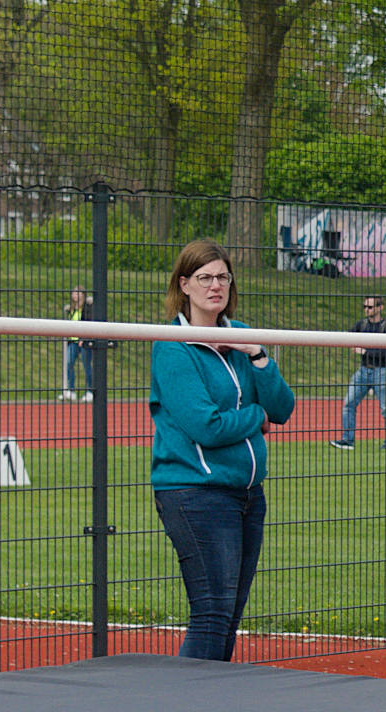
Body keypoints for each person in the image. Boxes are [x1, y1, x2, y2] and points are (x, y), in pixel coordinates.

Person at [149, 239, 295, 662]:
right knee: (211, 612)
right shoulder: (172, 345)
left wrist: (259, 355)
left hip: (247, 495)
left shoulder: (242, 335)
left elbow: (282, 408)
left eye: (223, 277)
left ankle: (213, 704)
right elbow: (206, 427)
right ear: (185, 284)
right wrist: (256, 418)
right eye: (205, 277)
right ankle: (190, 707)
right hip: (196, 494)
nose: (216, 286)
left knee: (229, 613)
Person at [333, 295, 386, 450]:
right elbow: (347, 337)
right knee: (349, 403)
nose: (366, 310)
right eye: (365, 307)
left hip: (382, 370)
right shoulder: (361, 325)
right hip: (364, 370)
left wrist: (365, 352)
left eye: (370, 307)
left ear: (380, 308)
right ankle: (347, 440)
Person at [61, 286, 94, 401]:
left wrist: (83, 338)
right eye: (74, 292)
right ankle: (71, 390)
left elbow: (88, 322)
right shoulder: (72, 308)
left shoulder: (87, 308)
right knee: (69, 364)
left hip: (84, 342)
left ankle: (90, 391)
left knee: (87, 366)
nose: (75, 294)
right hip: (73, 341)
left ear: (83, 294)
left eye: (78, 292)